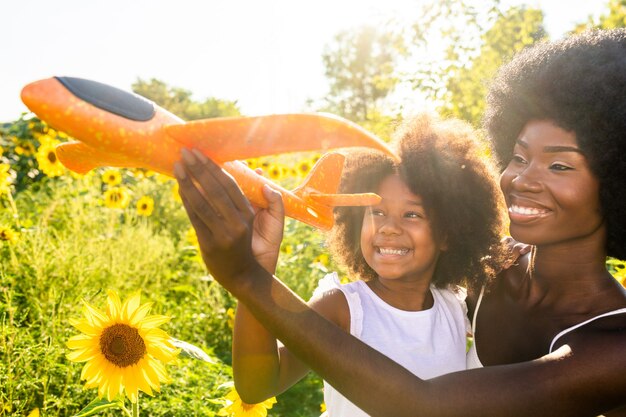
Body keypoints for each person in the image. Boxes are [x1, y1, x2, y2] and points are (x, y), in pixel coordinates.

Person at [175, 28, 626, 416]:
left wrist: (246, 278)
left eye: (560, 166)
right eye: (519, 156)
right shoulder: (494, 267)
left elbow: (422, 406)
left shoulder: (615, 345)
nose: (522, 180)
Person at [231, 114, 507, 416]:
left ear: (448, 234)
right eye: (376, 212)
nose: (388, 227)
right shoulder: (342, 308)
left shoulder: (455, 307)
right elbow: (257, 386)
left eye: (411, 215)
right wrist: (257, 267)